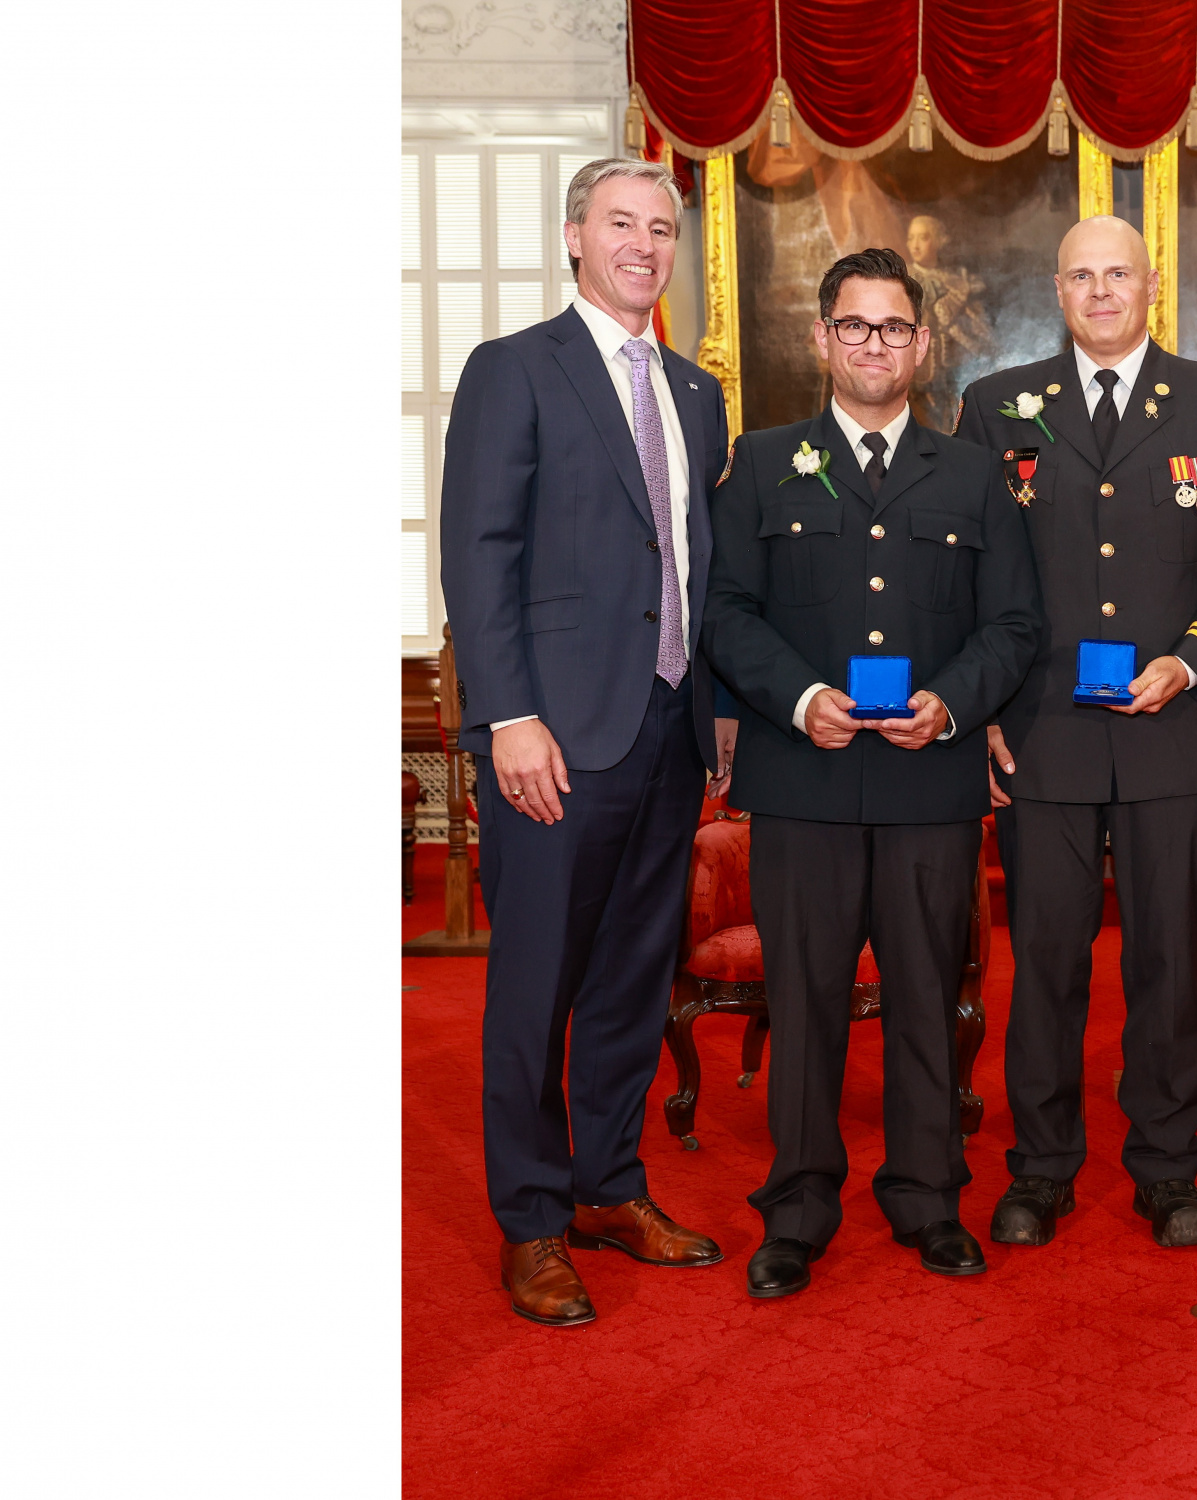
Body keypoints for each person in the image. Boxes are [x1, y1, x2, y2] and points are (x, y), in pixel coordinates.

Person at [703, 248, 1041, 1299]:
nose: (873, 346)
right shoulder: (760, 464)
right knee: (801, 1006)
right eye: (853, 327)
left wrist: (951, 701)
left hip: (924, 785)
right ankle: (797, 1208)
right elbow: (723, 612)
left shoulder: (974, 474)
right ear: (820, 339)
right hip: (801, 783)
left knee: (924, 1003)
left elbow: (1014, 622)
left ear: (922, 346)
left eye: (893, 328)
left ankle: (927, 1197)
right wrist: (803, 699)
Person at [956, 216, 1197, 1250]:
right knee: (1045, 970)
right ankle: (1042, 1170)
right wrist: (979, 715)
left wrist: (1191, 657)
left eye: (1117, 274)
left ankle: (1165, 1169)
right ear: (1056, 290)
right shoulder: (994, 406)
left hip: (1170, 734)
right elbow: (964, 575)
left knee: (1164, 970)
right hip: (1041, 737)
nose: (1100, 291)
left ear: (1150, 286)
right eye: (1080, 276)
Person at [440, 158, 729, 1326]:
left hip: (663, 735)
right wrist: (507, 717)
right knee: (533, 990)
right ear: (574, 237)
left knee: (629, 982)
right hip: (550, 740)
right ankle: (531, 1222)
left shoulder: (696, 393)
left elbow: (695, 568)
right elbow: (477, 553)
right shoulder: (515, 369)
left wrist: (709, 716)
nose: (643, 245)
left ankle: (610, 1187)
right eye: (621, 223)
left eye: (662, 229)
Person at [905, 214, 992, 430]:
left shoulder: (957, 279)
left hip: (954, 367)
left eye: (923, 237)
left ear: (938, 241)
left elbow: (976, 323)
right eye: (911, 238)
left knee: (953, 424)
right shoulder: (902, 279)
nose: (915, 245)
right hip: (918, 372)